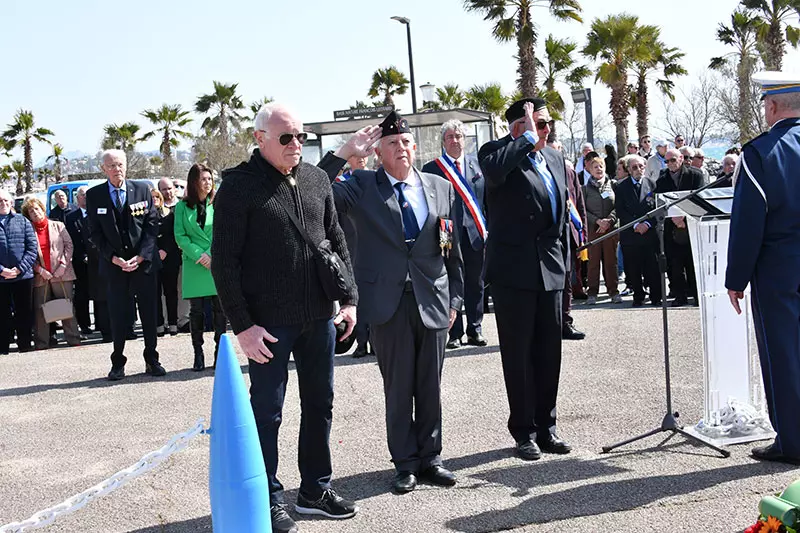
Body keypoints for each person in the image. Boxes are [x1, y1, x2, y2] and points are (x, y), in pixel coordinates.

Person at [212, 103, 359, 533]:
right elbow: (224, 262)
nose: (296, 145)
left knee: (320, 404)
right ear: (260, 139)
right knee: (267, 412)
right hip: (267, 325)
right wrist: (242, 325)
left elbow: (335, 239)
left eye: (300, 136)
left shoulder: (315, 179)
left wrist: (348, 299)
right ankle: (268, 497)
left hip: (318, 317)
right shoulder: (238, 187)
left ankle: (315, 489)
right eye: (286, 138)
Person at [320, 110, 464, 495]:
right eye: (391, 143)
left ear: (414, 147)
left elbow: (453, 251)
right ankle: (405, 463)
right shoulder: (363, 185)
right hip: (388, 301)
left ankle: (431, 457)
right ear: (378, 152)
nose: (400, 148)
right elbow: (318, 190)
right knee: (398, 387)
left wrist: (457, 299)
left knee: (430, 384)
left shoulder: (439, 187)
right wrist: (345, 153)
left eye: (405, 142)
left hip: (433, 299)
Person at [478, 98, 572, 461]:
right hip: (513, 271)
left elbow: (560, 216)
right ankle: (524, 430)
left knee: (549, 351)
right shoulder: (497, 152)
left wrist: (564, 266)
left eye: (548, 125)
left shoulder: (553, 160)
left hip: (549, 268)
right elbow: (495, 173)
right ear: (519, 126)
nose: (547, 131)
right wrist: (524, 141)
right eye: (540, 124)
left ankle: (547, 425)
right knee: (518, 354)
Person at [726, 72, 800, 466]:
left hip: (779, 271)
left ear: (772, 106)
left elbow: (748, 223)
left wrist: (736, 278)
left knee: (784, 356)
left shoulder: (761, 152)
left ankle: (793, 440)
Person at [86, 149, 165, 381]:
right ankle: (118, 362)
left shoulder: (142, 189)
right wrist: (114, 258)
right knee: (118, 316)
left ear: (126, 165)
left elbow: (152, 226)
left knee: (149, 315)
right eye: (111, 165)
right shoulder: (95, 195)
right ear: (103, 169)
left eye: (120, 164)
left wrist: (141, 256)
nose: (116, 169)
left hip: (144, 265)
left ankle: (152, 359)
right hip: (115, 266)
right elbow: (94, 234)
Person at [421, 119, 488, 349]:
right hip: (446, 233)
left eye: (458, 136)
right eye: (450, 137)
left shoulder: (476, 165)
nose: (455, 140)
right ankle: (455, 332)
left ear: (465, 140)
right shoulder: (432, 169)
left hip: (474, 233)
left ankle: (475, 329)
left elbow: (485, 200)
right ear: (443, 142)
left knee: (475, 282)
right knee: (451, 280)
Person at [174, 164, 226, 370]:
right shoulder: (181, 207)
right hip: (195, 264)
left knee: (219, 310)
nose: (208, 183)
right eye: (203, 179)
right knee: (196, 312)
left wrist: (211, 254)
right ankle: (198, 353)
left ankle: (219, 353)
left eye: (210, 179)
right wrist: (199, 255)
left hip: (215, 262)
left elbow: (224, 231)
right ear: (194, 182)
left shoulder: (219, 203)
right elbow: (180, 236)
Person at [22, 197, 81, 349]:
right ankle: (42, 342)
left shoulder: (58, 225)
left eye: (37, 209)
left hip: (62, 273)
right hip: (41, 276)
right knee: (40, 309)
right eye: (31, 211)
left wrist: (62, 264)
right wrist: (40, 270)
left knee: (66, 306)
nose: (35, 213)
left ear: (43, 209)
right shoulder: (28, 230)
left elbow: (69, 246)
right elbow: (26, 252)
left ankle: (73, 338)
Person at [654, 148, 704, 307]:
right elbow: (660, 201)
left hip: (691, 224)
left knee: (692, 264)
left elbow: (699, 197)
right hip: (671, 227)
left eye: (673, 160)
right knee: (675, 265)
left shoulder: (695, 175)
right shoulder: (662, 179)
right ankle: (679, 296)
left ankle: (697, 296)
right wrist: (674, 218)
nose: (670, 164)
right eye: (667, 161)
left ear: (681, 158)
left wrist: (684, 217)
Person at [335, 154, 372, 358]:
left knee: (374, 295)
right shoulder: (342, 184)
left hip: (372, 246)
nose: (361, 159)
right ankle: (361, 341)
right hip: (350, 247)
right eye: (357, 155)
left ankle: (375, 341)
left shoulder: (377, 181)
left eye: (365, 155)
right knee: (355, 296)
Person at [615, 156, 661, 307]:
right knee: (633, 268)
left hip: (649, 233)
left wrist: (647, 223)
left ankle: (656, 296)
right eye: (634, 167)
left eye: (641, 166)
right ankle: (638, 296)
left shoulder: (653, 184)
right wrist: (635, 225)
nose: (638, 170)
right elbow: (620, 211)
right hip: (631, 234)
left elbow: (657, 209)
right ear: (628, 169)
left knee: (652, 267)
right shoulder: (621, 187)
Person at [0, 189, 37, 354]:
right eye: (0, 201)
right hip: (1, 278)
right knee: (3, 314)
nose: (3, 204)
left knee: (25, 312)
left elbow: (32, 248)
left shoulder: (22, 221)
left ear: (11, 203)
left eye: (6, 201)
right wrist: (2, 271)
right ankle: (3, 346)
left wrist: (19, 269)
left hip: (23, 276)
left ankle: (25, 344)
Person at [582, 152, 621, 305]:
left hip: (610, 229)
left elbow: (619, 206)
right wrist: (597, 221)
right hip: (594, 230)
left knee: (611, 262)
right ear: (589, 170)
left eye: (601, 166)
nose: (599, 169)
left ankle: (614, 292)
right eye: (595, 167)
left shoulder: (613, 185)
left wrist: (609, 221)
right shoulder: (584, 189)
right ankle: (592, 293)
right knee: (593, 262)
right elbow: (583, 209)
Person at [151, 189, 181, 337]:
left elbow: (174, 234)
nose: (155, 199)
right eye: (152, 197)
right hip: (152, 258)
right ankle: (159, 325)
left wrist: (165, 250)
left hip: (170, 258)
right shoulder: (145, 215)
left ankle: (173, 323)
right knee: (156, 293)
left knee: (171, 292)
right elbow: (146, 236)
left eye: (157, 196)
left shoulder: (170, 214)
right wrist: (155, 251)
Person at [64, 186, 93, 336]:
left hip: (98, 260)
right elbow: (70, 241)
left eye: (88, 195)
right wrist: (82, 256)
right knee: (82, 295)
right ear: (77, 198)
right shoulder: (70, 217)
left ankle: (102, 323)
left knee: (100, 293)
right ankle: (85, 324)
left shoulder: (97, 212)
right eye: (83, 195)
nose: (86, 198)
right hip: (79, 262)